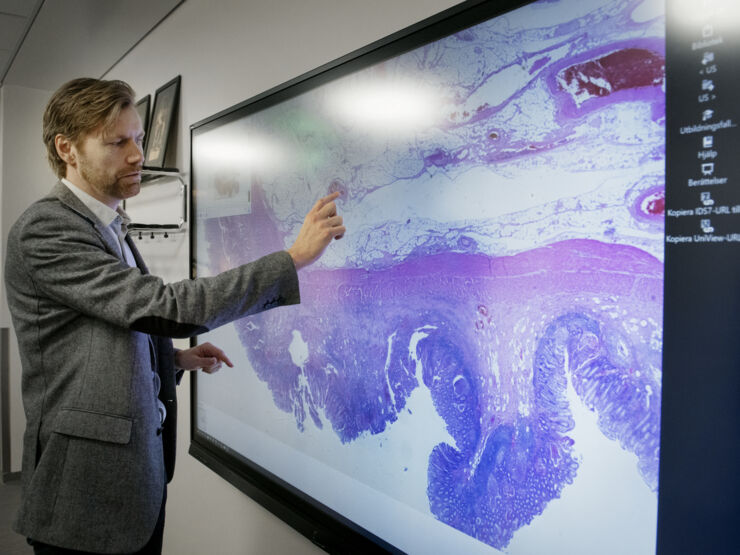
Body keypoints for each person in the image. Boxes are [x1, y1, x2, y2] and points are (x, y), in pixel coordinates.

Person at [3, 77, 346, 554]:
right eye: (117, 142)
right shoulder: (46, 229)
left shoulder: (109, 223)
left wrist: (174, 362)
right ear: (67, 149)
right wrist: (291, 261)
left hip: (134, 487)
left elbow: (112, 325)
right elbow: (164, 308)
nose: (137, 154)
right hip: (85, 497)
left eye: (139, 138)